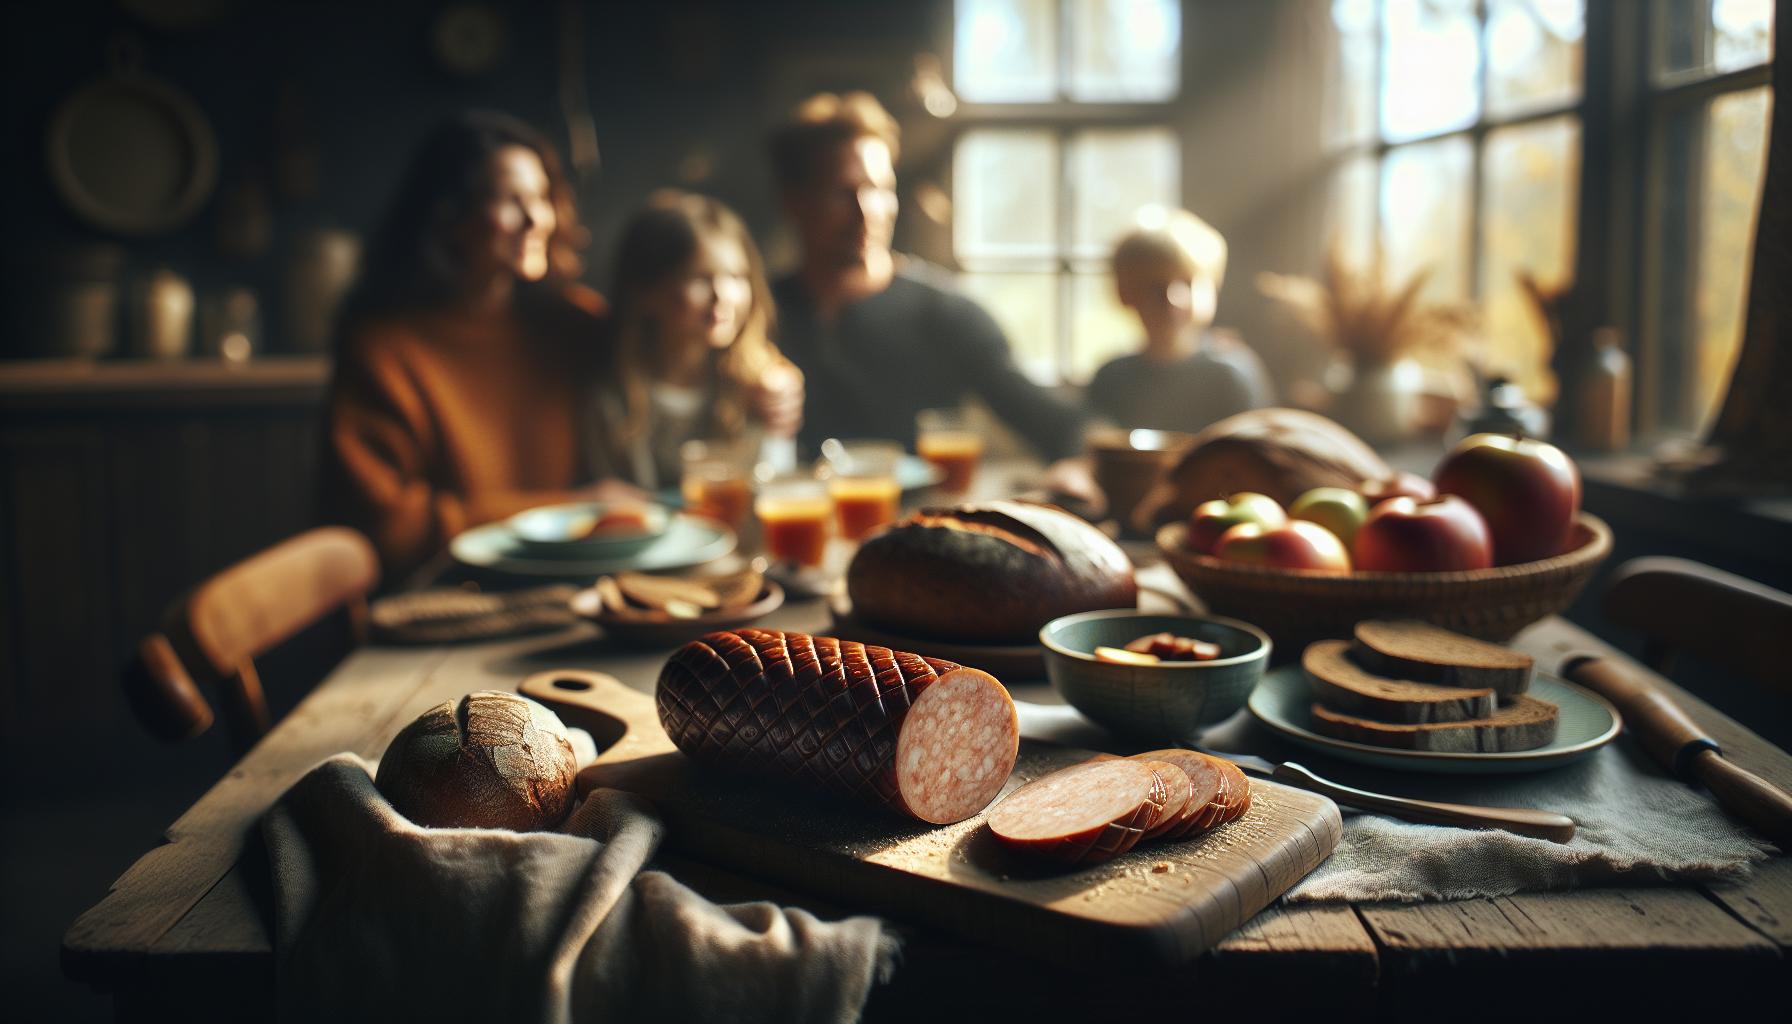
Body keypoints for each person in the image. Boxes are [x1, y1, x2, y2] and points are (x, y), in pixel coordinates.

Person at [320, 111, 641, 581]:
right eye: (510, 200)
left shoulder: (573, 323)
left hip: (588, 586)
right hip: (446, 599)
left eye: (541, 198)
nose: (536, 219)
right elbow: (389, 529)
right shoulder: (384, 350)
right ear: (450, 217)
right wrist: (573, 511)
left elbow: (672, 370)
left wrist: (762, 381)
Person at [767, 92, 1093, 478]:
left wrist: (1080, 465)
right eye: (842, 192)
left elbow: (1061, 423)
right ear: (794, 200)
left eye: (878, 189)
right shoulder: (759, 313)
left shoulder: (944, 313)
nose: (865, 212)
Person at [591, 190, 803, 490]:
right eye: (699, 277)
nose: (722, 296)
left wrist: (773, 426)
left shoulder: (757, 386)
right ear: (646, 290)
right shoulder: (611, 396)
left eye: (737, 276)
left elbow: (776, 493)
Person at [1087, 209, 1274, 435]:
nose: (1173, 299)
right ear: (1125, 293)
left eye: (1188, 282)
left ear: (1213, 287)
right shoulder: (1112, 378)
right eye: (1156, 287)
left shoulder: (1232, 375)